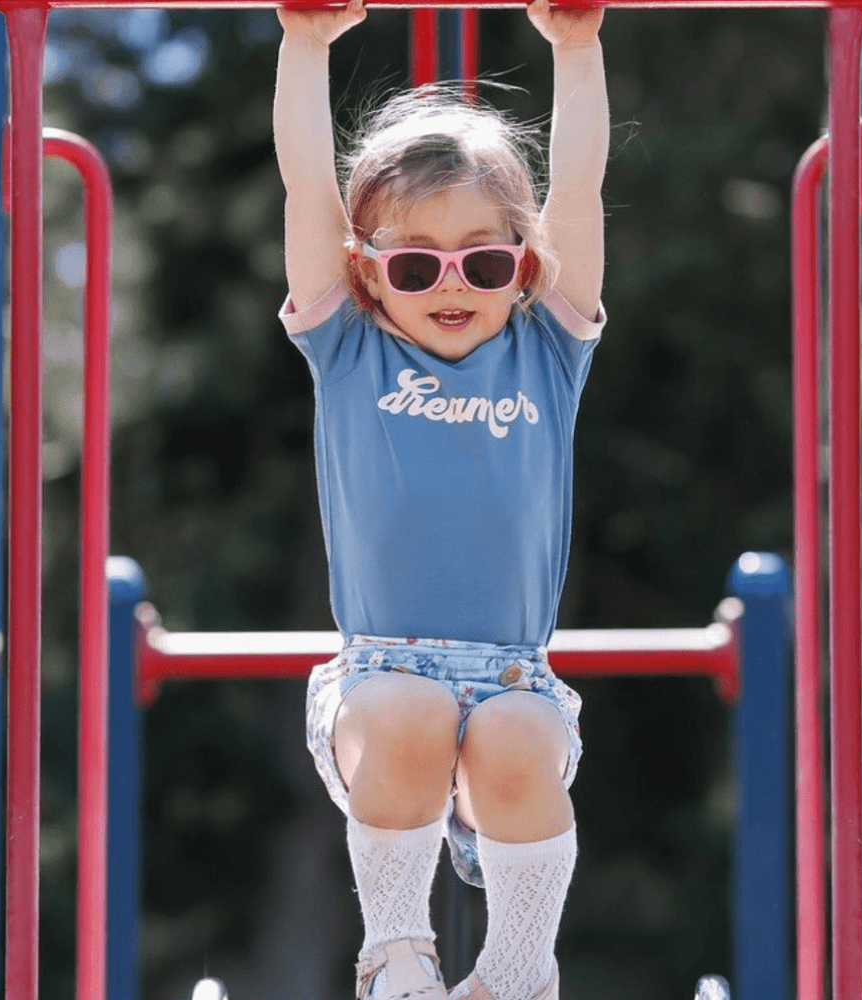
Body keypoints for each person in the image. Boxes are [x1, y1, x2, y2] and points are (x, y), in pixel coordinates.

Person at [272, 3, 609, 1000]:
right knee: (412, 708)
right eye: (417, 263)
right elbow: (305, 186)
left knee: (507, 732)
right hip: (377, 679)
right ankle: (399, 957)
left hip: (519, 677)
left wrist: (578, 51)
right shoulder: (349, 347)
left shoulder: (547, 352)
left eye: (486, 259)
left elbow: (579, 187)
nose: (451, 283)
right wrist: (303, 45)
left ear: (527, 267)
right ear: (368, 272)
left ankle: (513, 976)